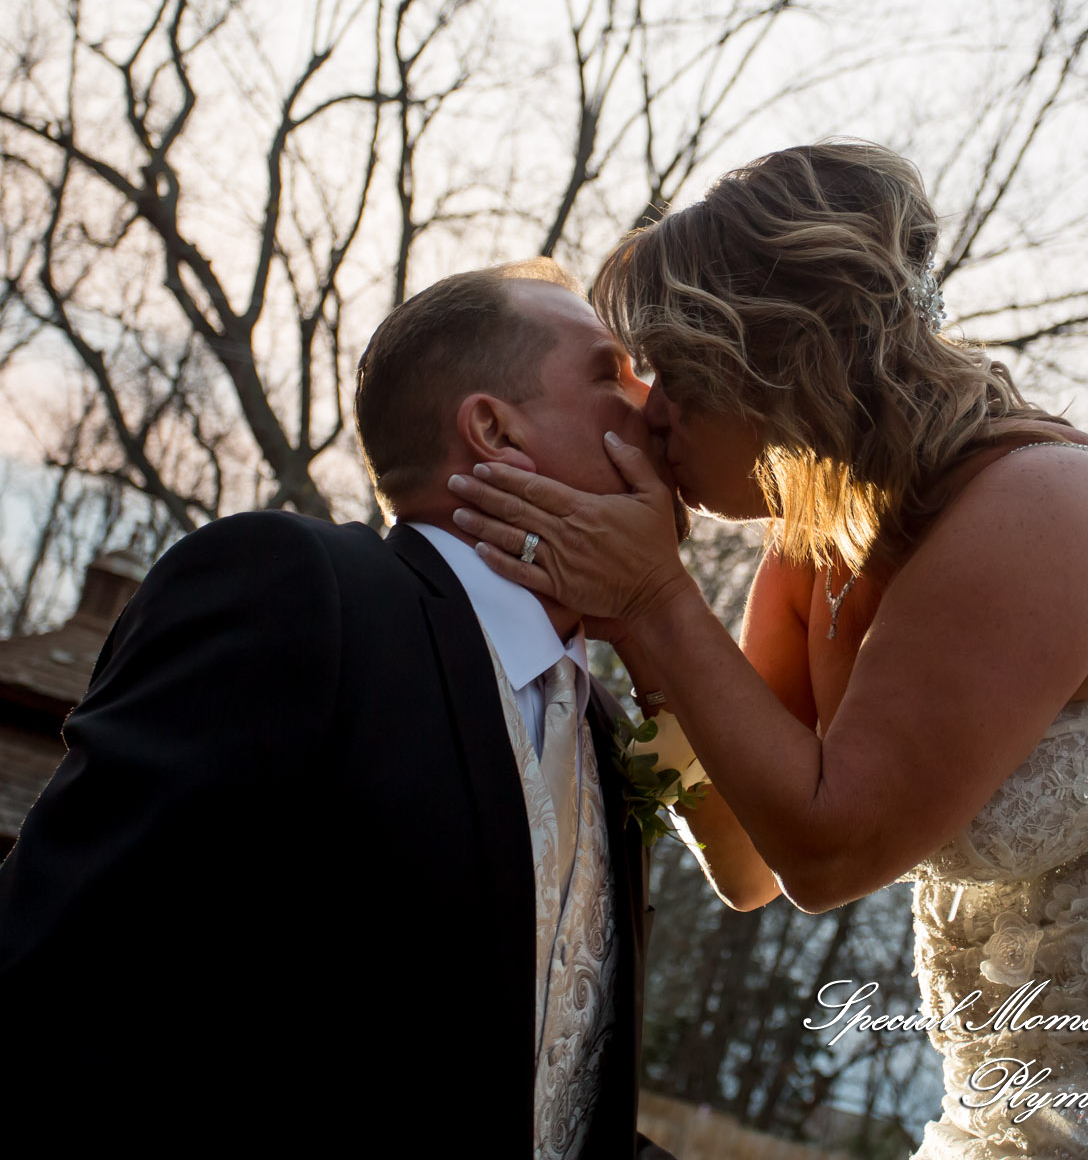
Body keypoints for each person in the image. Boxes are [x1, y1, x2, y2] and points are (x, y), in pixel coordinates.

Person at [449, 144, 1088, 1157]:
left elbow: (827, 848)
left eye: (680, 370)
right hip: (1045, 1082)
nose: (651, 407)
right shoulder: (811, 556)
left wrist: (655, 599)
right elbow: (748, 859)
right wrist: (634, 619)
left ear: (775, 362)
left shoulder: (1035, 511)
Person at [0, 259, 677, 1157]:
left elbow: (555, 1098)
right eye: (609, 373)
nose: (653, 399)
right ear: (493, 430)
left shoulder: (600, 728)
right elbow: (63, 979)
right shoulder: (295, 588)